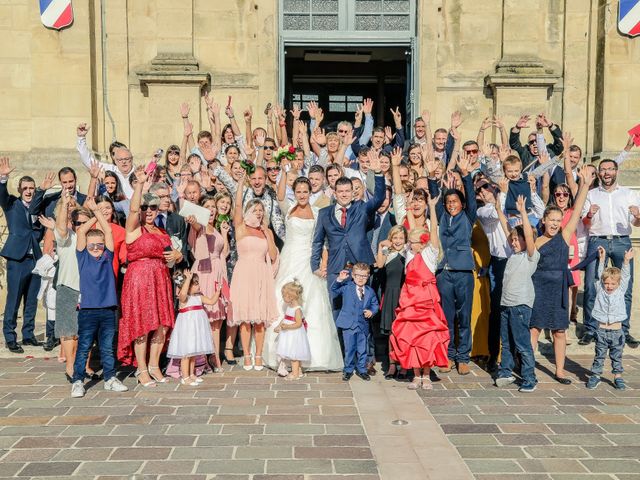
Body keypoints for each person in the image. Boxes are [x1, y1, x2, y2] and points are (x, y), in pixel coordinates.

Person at [263, 175, 343, 371]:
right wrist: (283, 170)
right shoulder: (288, 208)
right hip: (290, 257)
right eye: (298, 191)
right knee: (282, 298)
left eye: (305, 191)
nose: (301, 195)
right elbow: (280, 195)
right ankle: (281, 353)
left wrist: (323, 263)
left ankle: (313, 356)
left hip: (309, 260)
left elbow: (323, 241)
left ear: (310, 192)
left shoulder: (318, 212)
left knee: (313, 303)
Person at [118, 167, 181, 387]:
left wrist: (177, 255)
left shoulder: (162, 232)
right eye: (146, 207)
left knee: (162, 325)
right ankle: (141, 368)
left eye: (153, 207)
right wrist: (139, 186)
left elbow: (172, 257)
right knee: (143, 325)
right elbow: (133, 211)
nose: (149, 211)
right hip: (139, 280)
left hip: (160, 279)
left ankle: (154, 365)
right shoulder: (134, 228)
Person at [530, 166, 590, 384]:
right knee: (534, 328)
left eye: (558, 219)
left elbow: (579, 206)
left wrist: (584, 184)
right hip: (538, 287)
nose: (555, 223)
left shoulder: (565, 235)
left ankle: (560, 370)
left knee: (559, 331)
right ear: (544, 220)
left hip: (558, 288)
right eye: (551, 219)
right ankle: (528, 368)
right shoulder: (536, 241)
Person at [310, 155, 386, 318]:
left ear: (353, 193)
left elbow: (379, 198)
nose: (344, 194)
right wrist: (315, 265)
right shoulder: (324, 213)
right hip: (336, 268)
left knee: (362, 311)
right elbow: (317, 241)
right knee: (337, 311)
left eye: (347, 191)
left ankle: (363, 344)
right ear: (335, 193)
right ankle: (343, 344)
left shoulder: (362, 208)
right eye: (340, 191)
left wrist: (378, 173)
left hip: (360, 266)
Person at [389, 194, 449, 390]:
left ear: (422, 243)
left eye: (415, 241)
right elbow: (412, 226)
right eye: (411, 241)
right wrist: (407, 209)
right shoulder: (408, 253)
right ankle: (415, 374)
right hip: (410, 299)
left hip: (426, 299)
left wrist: (432, 207)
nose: (411, 242)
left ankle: (426, 374)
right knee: (412, 337)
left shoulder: (429, 254)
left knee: (428, 338)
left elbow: (433, 233)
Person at [70, 198, 128, 398]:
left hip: (108, 308)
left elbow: (109, 232)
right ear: (86, 246)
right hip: (87, 310)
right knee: (84, 346)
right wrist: (94, 214)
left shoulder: (107, 256)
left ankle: (110, 378)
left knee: (107, 347)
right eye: (92, 245)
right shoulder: (83, 257)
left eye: (99, 245)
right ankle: (78, 380)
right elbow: (80, 232)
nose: (96, 248)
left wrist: (100, 217)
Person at [580, 159, 640, 348]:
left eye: (610, 169)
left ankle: (623, 328)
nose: (607, 173)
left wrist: (638, 216)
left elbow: (637, 223)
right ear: (598, 173)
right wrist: (589, 215)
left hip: (623, 240)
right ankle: (590, 329)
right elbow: (585, 223)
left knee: (626, 286)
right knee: (591, 284)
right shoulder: (591, 194)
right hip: (598, 240)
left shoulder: (629, 194)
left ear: (616, 171)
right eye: (603, 170)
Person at [427, 153, 477, 375]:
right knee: (446, 317)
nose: (451, 205)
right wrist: (430, 177)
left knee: (463, 316)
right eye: (448, 202)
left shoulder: (467, 216)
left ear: (461, 204)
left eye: (455, 202)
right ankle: (447, 354)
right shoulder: (442, 214)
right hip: (444, 273)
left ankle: (463, 357)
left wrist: (466, 176)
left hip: (464, 271)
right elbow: (435, 196)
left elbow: (472, 199)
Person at [230, 171, 279, 371]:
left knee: (259, 319)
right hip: (243, 274)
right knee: (245, 319)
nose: (258, 213)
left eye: (261, 210)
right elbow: (238, 206)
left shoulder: (265, 231)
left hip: (261, 275)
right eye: (255, 209)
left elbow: (274, 256)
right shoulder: (240, 227)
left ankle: (259, 355)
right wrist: (241, 184)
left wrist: (268, 234)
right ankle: (247, 356)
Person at [1, 158, 50, 353]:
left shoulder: (38, 205)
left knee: (31, 300)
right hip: (17, 259)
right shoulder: (11, 203)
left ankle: (28, 335)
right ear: (20, 190)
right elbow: (1, 195)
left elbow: (38, 214)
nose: (29, 191)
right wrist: (3, 178)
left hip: (35, 260)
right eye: (25, 188)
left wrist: (42, 190)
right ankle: (10, 338)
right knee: (13, 299)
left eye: (32, 188)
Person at [494, 195, 540, 392]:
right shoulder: (513, 255)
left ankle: (530, 377)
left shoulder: (530, 256)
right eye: (512, 240)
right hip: (506, 305)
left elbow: (528, 236)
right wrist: (498, 209)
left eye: (516, 239)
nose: (513, 242)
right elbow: (507, 229)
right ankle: (505, 371)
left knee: (522, 344)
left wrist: (522, 212)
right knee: (506, 342)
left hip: (521, 305)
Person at [184, 195, 230, 371]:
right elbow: (196, 228)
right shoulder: (199, 226)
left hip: (217, 273)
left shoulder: (216, 228)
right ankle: (200, 358)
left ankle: (215, 357)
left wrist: (224, 234)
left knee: (216, 322)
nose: (212, 209)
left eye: (213, 206)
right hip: (203, 273)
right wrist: (194, 221)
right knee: (201, 318)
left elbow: (223, 253)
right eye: (207, 206)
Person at [586, 246, 633, 391]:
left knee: (617, 356)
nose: (609, 286)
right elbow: (600, 273)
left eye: (612, 283)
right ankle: (595, 375)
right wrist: (601, 259)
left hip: (617, 332)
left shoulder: (620, 290)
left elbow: (625, 276)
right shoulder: (600, 289)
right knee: (599, 355)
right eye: (607, 283)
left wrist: (626, 261)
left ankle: (618, 376)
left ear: (618, 284)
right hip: (602, 330)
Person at [167, 270, 218, 386]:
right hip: (187, 329)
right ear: (188, 285)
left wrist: (218, 291)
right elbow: (183, 294)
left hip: (197, 330)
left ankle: (191, 374)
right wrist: (188, 279)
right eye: (196, 284)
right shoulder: (184, 299)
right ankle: (185, 377)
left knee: (193, 353)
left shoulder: (199, 297)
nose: (199, 285)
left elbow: (211, 301)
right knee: (186, 354)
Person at [331, 263, 380, 382]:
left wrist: (371, 311)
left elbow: (375, 304)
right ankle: (348, 370)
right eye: (358, 275)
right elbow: (334, 290)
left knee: (362, 349)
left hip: (362, 325)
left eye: (364, 276)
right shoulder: (347, 287)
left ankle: (362, 369)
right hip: (348, 325)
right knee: (349, 349)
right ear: (353, 275)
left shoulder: (369, 291)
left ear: (368, 277)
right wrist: (339, 280)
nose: (361, 278)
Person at [374, 225, 407, 379]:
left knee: (404, 332)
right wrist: (381, 245)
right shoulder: (389, 252)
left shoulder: (408, 253)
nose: (398, 241)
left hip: (404, 295)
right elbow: (380, 264)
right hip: (390, 295)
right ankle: (392, 365)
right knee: (391, 333)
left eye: (401, 238)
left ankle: (404, 366)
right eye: (395, 238)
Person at [76, 123, 135, 198]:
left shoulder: (139, 173)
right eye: (120, 159)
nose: (124, 162)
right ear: (115, 160)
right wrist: (81, 137)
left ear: (131, 159)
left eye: (126, 159)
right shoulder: (109, 169)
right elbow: (87, 160)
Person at [273, 280, 312, 381]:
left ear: (290, 297)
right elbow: (286, 318)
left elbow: (299, 324)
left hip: (294, 333)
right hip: (289, 333)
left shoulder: (297, 309)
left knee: (294, 354)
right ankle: (298, 371)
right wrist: (279, 326)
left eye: (283, 295)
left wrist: (287, 327)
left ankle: (295, 374)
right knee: (293, 353)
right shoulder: (290, 307)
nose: (282, 297)